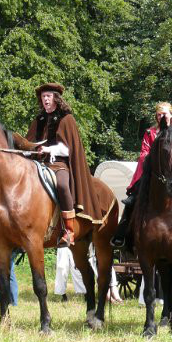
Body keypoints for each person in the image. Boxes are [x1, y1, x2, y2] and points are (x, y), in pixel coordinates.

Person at [111, 101, 172, 248]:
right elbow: (143, 154)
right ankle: (122, 234)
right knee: (132, 199)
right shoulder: (150, 133)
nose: (161, 116)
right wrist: (154, 158)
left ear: (171, 115)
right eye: (159, 114)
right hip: (152, 175)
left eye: (164, 114)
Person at [26, 83, 105, 248]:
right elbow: (30, 142)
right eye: (43, 96)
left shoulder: (66, 119)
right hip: (38, 163)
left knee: (62, 185)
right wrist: (29, 149)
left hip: (58, 163)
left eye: (48, 96)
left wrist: (48, 149)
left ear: (56, 98)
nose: (46, 99)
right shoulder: (39, 120)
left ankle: (69, 230)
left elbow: (69, 149)